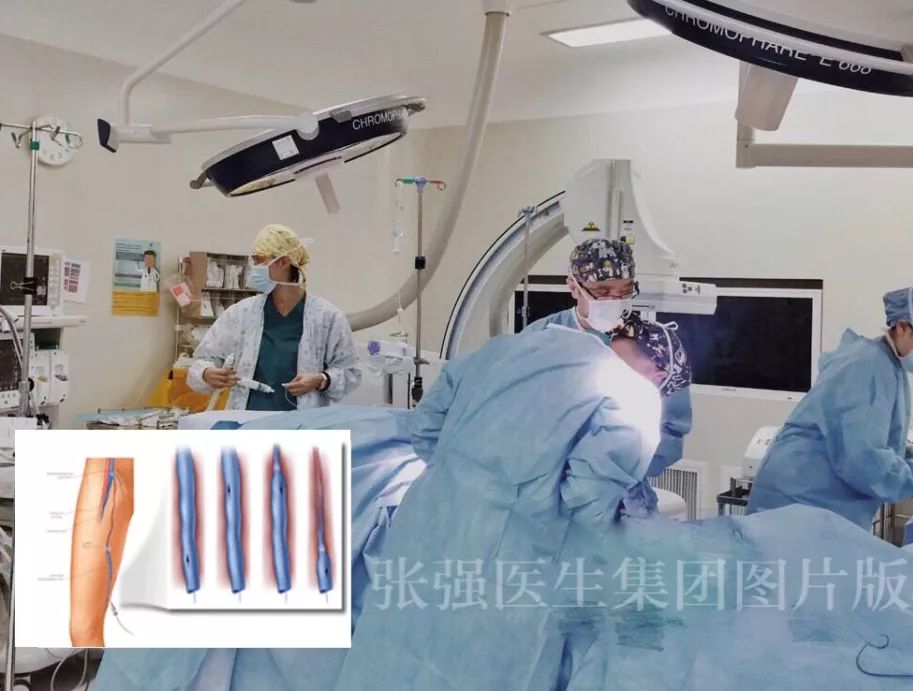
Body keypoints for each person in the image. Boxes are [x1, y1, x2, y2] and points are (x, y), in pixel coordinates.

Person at [336, 316, 692, 691]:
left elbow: (424, 430)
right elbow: (588, 499)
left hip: (427, 535)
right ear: (658, 373)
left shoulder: (496, 352)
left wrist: (460, 484)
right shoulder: (632, 395)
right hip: (513, 562)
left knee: (394, 656)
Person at [747, 281, 913, 530]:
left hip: (818, 508)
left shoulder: (888, 365)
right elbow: (865, 462)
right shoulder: (867, 367)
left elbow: (870, 440)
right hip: (799, 506)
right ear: (903, 327)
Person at [524, 238, 693, 478]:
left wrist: (620, 469)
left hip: (625, 480)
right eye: (602, 292)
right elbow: (519, 416)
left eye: (625, 291)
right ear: (574, 286)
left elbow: (673, 429)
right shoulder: (538, 339)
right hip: (546, 479)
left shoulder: (659, 343)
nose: (615, 301)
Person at [187, 224, 361, 411]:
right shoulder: (241, 313)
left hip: (302, 422)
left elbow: (350, 372)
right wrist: (206, 373)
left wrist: (321, 379)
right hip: (247, 419)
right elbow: (204, 359)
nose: (253, 268)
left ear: (284, 262)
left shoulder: (327, 317)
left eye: (259, 260)